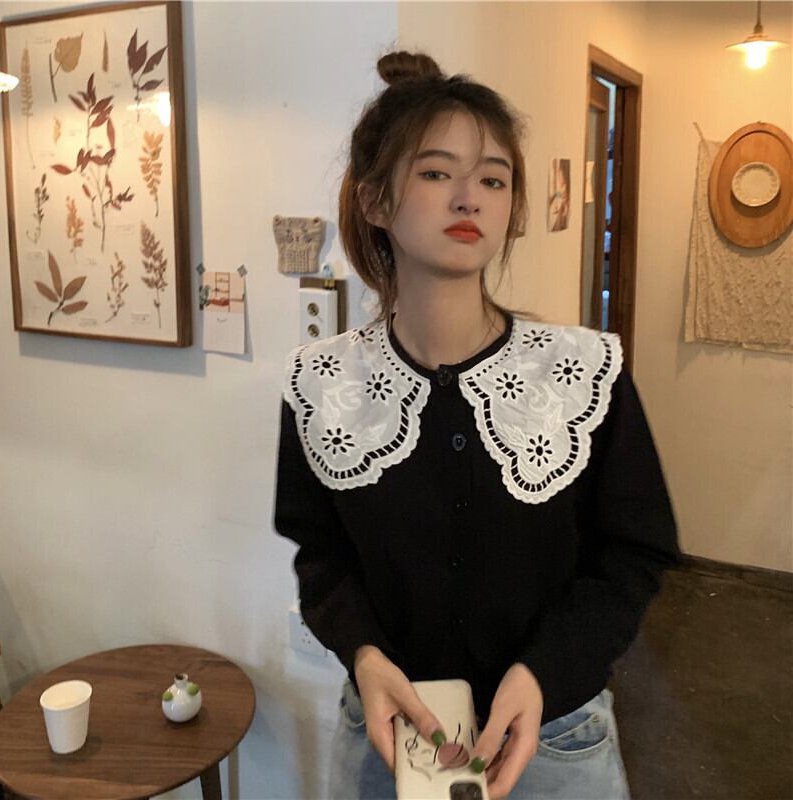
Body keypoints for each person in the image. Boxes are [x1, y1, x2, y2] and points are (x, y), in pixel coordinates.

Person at [273, 49, 681, 800]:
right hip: (387, 740)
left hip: (556, 743)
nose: (470, 198)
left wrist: (543, 673)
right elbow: (320, 557)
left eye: (494, 179)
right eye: (437, 173)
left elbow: (634, 554)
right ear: (374, 201)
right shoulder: (320, 381)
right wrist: (363, 654)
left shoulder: (584, 371)